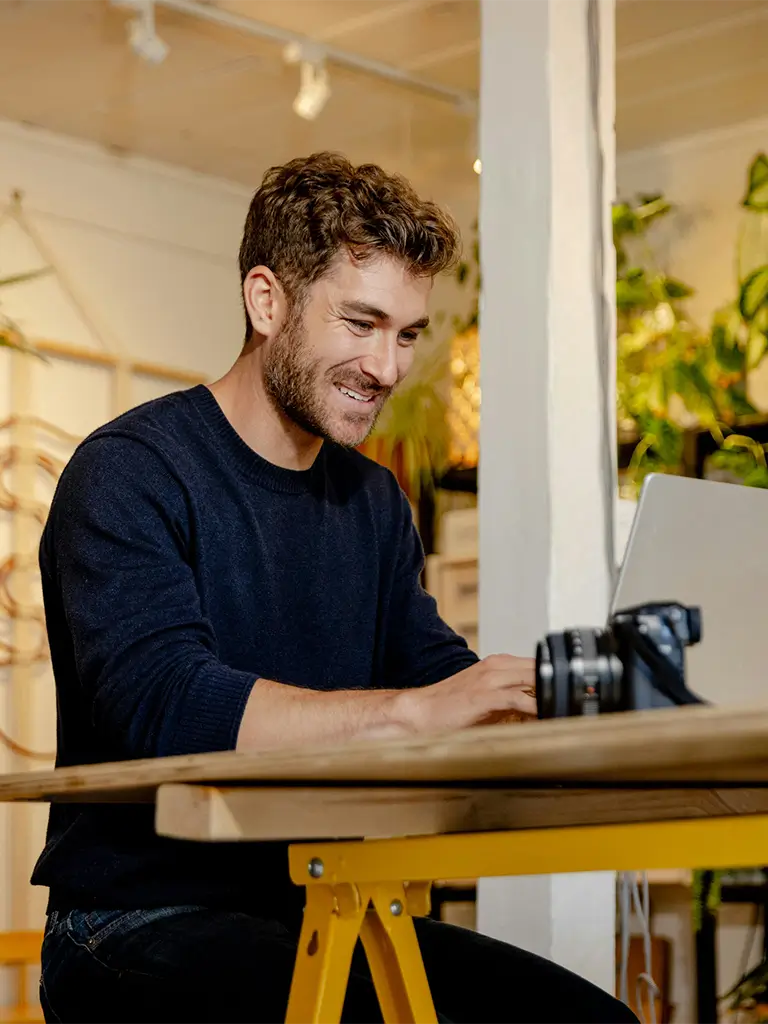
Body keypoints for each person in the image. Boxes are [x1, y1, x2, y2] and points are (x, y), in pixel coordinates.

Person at [35, 152, 634, 1024]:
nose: (387, 368)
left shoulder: (374, 502)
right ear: (267, 301)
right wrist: (409, 714)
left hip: (330, 908)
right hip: (131, 921)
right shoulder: (130, 472)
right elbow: (163, 704)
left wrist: (577, 702)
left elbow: (436, 678)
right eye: (360, 322)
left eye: (407, 333)